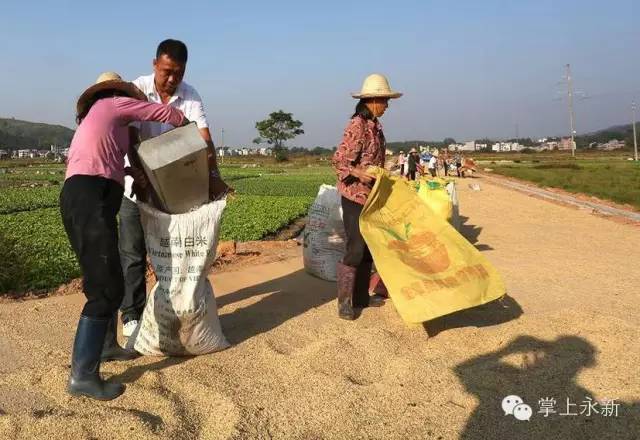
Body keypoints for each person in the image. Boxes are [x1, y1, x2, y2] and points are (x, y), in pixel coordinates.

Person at [61, 72, 186, 400]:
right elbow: (157, 112)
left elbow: (124, 158)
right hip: (88, 197)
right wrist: (183, 122)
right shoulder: (109, 105)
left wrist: (134, 172)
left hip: (99, 199)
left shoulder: (115, 127)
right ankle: (82, 376)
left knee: (111, 277)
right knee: (104, 288)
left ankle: (106, 347)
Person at [119, 39, 231, 337]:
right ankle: (131, 314)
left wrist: (213, 176)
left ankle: (170, 309)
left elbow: (204, 139)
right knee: (132, 252)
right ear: (155, 64)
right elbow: (131, 139)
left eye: (178, 73)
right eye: (166, 71)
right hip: (135, 185)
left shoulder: (190, 95)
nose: (172, 79)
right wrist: (142, 178)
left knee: (170, 253)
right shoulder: (137, 89)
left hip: (172, 192)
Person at [332, 73, 402, 320]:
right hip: (355, 197)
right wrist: (358, 173)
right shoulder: (357, 125)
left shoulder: (376, 127)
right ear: (372, 100)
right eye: (385, 100)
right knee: (355, 248)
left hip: (371, 198)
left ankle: (361, 297)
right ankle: (345, 302)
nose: (387, 105)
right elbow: (339, 161)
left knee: (369, 248)